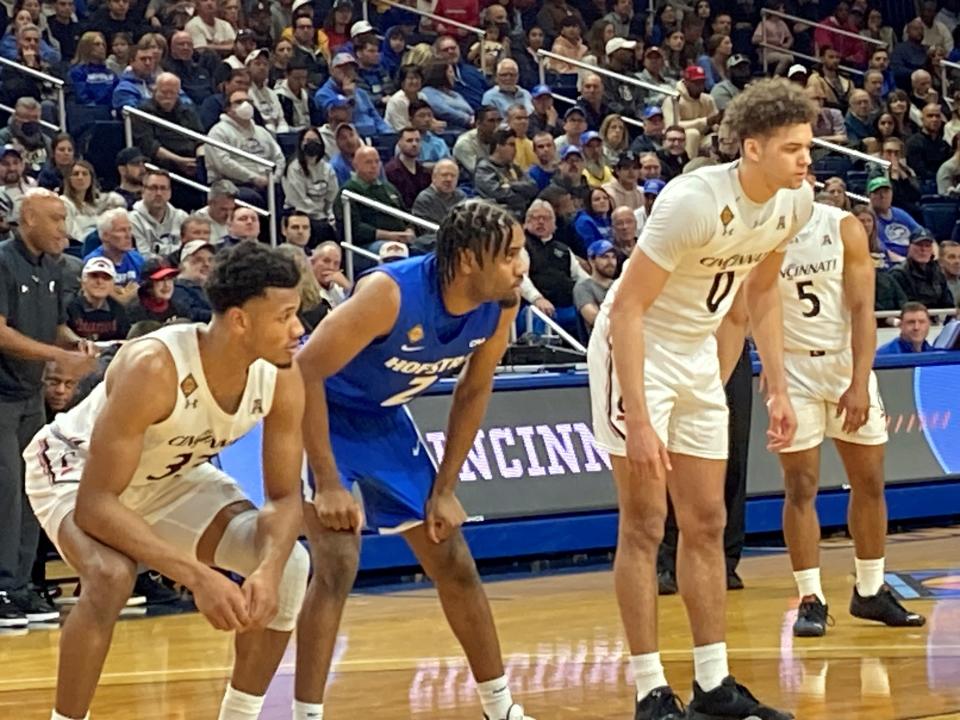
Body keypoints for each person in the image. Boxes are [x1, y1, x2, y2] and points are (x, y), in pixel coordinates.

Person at [586, 77, 815, 720]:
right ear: (751, 148)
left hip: (698, 351)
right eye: (793, 147)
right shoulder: (691, 201)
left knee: (708, 520)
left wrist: (777, 385)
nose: (806, 159)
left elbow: (759, 296)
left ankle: (713, 684)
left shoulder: (792, 205)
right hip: (636, 348)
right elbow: (628, 309)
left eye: (809, 146)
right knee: (643, 523)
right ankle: (650, 689)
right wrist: (636, 414)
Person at [24, 242, 310, 719]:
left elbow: (284, 498)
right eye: (284, 316)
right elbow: (97, 504)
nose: (298, 329)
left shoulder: (282, 375)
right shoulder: (155, 367)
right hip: (74, 470)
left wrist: (267, 569)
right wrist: (198, 576)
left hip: (168, 474)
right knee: (111, 575)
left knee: (291, 566)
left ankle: (240, 715)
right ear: (240, 320)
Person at [295, 200, 533, 720]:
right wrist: (328, 481)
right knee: (336, 564)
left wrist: (445, 488)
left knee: (453, 561)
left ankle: (501, 709)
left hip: (382, 420)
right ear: (469, 260)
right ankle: (304, 716)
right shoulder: (389, 294)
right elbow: (304, 372)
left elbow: (473, 391)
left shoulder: (502, 305)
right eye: (510, 254)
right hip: (318, 412)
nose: (522, 266)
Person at [776, 200, 926, 639]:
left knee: (870, 480)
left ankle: (871, 588)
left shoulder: (842, 227)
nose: (798, 173)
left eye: (805, 164)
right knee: (800, 485)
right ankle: (810, 597)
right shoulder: (763, 228)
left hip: (843, 361)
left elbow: (863, 309)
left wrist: (859, 382)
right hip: (793, 367)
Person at [0, 190, 98, 628]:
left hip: (29, 396)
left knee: (28, 492)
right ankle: (3, 586)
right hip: (2, 394)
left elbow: (55, 327)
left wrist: (74, 343)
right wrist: (54, 356)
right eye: (56, 219)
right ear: (28, 220)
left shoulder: (55, 268)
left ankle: (21, 584)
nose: (64, 228)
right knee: (5, 493)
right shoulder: (3, 262)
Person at [333, 146, 412, 252]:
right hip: (367, 245)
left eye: (377, 161)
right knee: (391, 250)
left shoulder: (388, 187)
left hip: (401, 238)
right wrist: (389, 236)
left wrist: (410, 230)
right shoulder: (348, 192)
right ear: (355, 165)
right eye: (368, 162)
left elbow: (406, 214)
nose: (374, 166)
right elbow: (353, 229)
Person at [281, 127, 339, 241]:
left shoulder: (327, 168)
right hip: (299, 212)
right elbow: (299, 200)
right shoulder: (294, 168)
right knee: (321, 228)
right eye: (308, 140)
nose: (312, 144)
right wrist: (320, 216)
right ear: (301, 144)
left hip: (323, 215)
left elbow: (332, 197)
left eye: (316, 140)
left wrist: (330, 216)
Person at [474, 128, 539, 218]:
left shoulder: (514, 167)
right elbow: (497, 194)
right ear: (498, 146)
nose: (515, 150)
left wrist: (510, 185)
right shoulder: (484, 168)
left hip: (520, 214)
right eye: (511, 145)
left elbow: (533, 187)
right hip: (495, 216)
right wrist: (523, 197)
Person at [889, 227, 956, 309]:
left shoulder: (937, 272)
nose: (923, 249)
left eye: (927, 246)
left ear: (932, 249)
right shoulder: (898, 274)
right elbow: (899, 304)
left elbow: (948, 303)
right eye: (919, 245)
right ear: (909, 247)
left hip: (937, 319)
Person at [66, 256, 130, 341]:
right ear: (83, 280)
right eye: (94, 276)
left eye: (106, 278)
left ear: (113, 284)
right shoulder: (68, 306)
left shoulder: (118, 310)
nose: (100, 282)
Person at [130, 169, 188, 257]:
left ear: (170, 192)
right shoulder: (132, 220)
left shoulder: (182, 217)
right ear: (143, 191)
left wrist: (158, 249)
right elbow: (143, 256)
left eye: (163, 188)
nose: (158, 193)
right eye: (153, 188)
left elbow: (188, 251)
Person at [867, 176, 921, 265]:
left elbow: (922, 233)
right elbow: (882, 250)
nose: (883, 196)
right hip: (891, 264)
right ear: (869, 196)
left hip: (912, 259)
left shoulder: (899, 213)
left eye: (886, 192)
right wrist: (906, 264)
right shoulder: (868, 219)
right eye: (878, 192)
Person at [573, 239, 617, 333]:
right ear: (591, 261)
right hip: (600, 341)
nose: (611, 262)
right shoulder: (583, 287)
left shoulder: (619, 285)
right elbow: (594, 318)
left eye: (613, 257)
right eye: (605, 257)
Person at [411, 158, 466, 232]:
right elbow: (426, 232)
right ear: (434, 177)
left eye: (453, 176)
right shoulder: (425, 199)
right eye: (444, 175)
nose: (449, 179)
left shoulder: (461, 197)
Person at [385, 128, 432, 211]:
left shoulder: (425, 171)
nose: (414, 144)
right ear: (399, 143)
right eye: (409, 140)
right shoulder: (391, 171)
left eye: (417, 140)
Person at [173, 238, 215, 322]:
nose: (207, 264)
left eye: (210, 260)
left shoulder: (214, 288)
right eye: (199, 260)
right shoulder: (177, 289)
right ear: (183, 264)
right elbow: (190, 313)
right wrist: (221, 316)